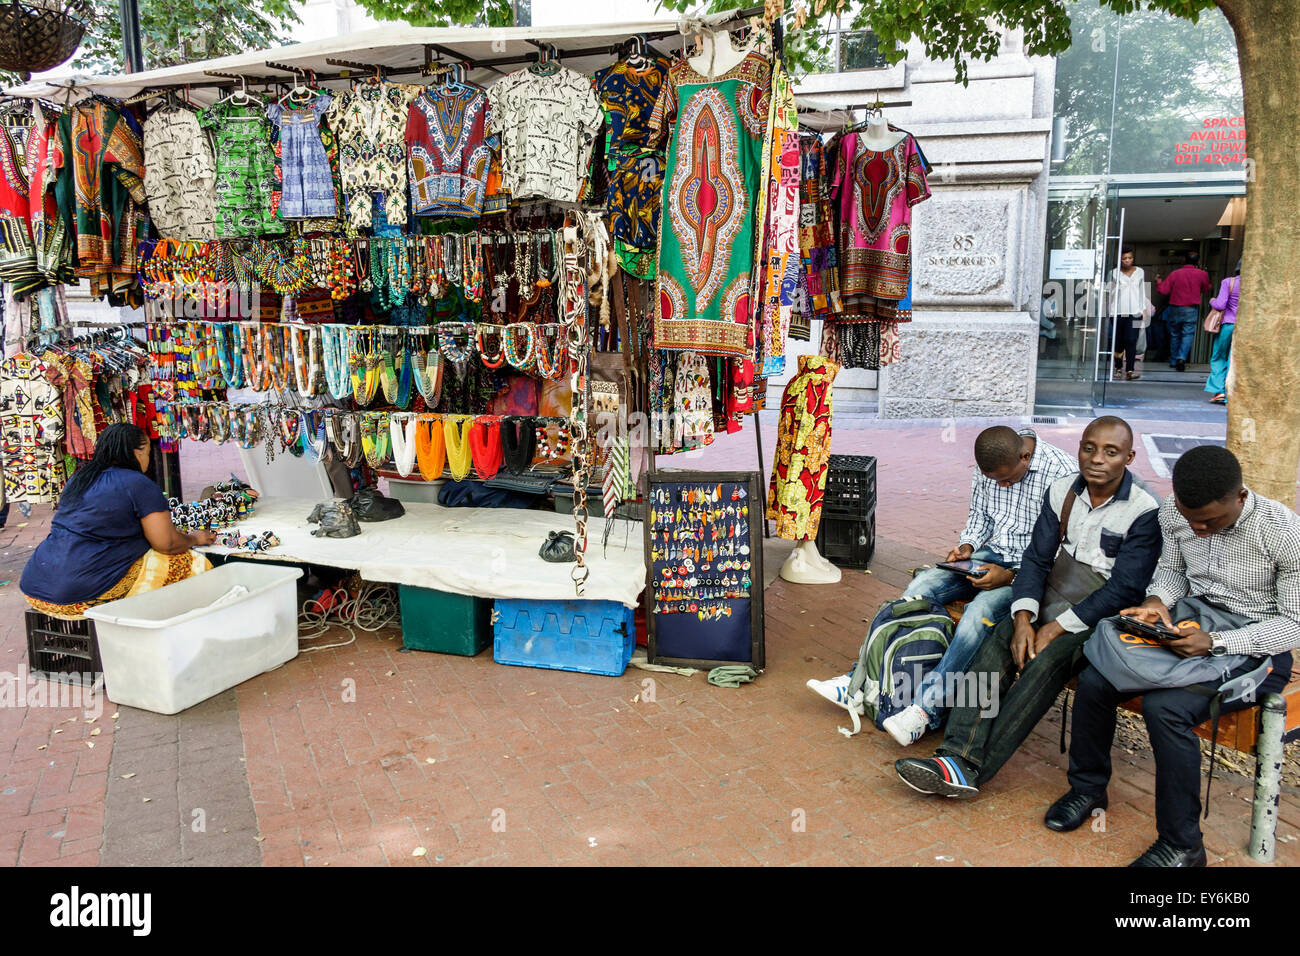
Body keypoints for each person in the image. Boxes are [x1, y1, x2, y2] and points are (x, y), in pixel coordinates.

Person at [1045, 445, 1299, 867]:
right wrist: (1158, 603)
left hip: (1257, 644)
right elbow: (1173, 571)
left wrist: (1218, 643)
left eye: (1211, 520)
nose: (1197, 527)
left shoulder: (1283, 532)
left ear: (1240, 497)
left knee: (1167, 708)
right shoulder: (1175, 513)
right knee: (1096, 678)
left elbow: (1293, 624)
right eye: (1189, 516)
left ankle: (1183, 844)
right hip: (1191, 621)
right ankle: (1087, 790)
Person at [893, 416, 1161, 796]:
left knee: (1043, 662)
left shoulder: (1144, 508)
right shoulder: (1063, 490)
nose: (1097, 459)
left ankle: (974, 769)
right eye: (1089, 448)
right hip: (1056, 590)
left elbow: (1124, 589)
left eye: (1111, 452)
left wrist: (1054, 627)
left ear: (1129, 457)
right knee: (995, 645)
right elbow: (1036, 560)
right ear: (1080, 449)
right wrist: (1023, 618)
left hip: (1100, 613)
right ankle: (954, 754)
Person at [807, 426, 1078, 742]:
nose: (1000, 485)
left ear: (1025, 456)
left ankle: (924, 709)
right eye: (994, 480)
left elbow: (1067, 551)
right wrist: (967, 548)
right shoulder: (991, 465)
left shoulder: (1063, 474)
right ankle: (858, 682)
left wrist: (1012, 577)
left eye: (1006, 479)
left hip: (1032, 571)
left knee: (978, 615)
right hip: (990, 557)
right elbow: (980, 518)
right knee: (921, 587)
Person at [20, 423, 218, 619]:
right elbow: (167, 544)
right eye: (148, 451)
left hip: (35, 588)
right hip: (78, 598)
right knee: (192, 563)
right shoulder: (138, 483)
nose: (148, 458)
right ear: (137, 452)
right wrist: (194, 539)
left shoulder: (79, 478)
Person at [1155, 251, 1211, 372]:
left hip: (1175, 308)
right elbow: (1206, 288)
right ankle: (1182, 358)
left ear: (1184, 261)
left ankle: (1174, 360)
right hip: (1191, 308)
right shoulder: (1202, 274)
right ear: (1198, 262)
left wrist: (1159, 282)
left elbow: (1163, 290)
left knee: (1175, 334)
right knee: (1188, 334)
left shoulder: (1175, 274)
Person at [1108, 248, 1151, 380]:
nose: (1127, 261)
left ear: (1133, 258)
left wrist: (1143, 309)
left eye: (1130, 258)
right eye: (1124, 258)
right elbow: (1108, 292)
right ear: (1120, 260)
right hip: (1117, 312)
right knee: (1119, 342)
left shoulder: (1139, 272)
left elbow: (1142, 290)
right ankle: (1118, 368)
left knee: (1131, 340)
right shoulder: (1114, 273)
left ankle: (1130, 370)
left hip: (1135, 312)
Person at [1204, 259, 1241, 405]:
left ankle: (1219, 390)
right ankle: (1230, 394)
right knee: (1233, 360)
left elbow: (1220, 304)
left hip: (1228, 325)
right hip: (1243, 328)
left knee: (1219, 357)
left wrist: (1212, 300)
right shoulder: (1256, 284)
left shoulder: (1228, 282)